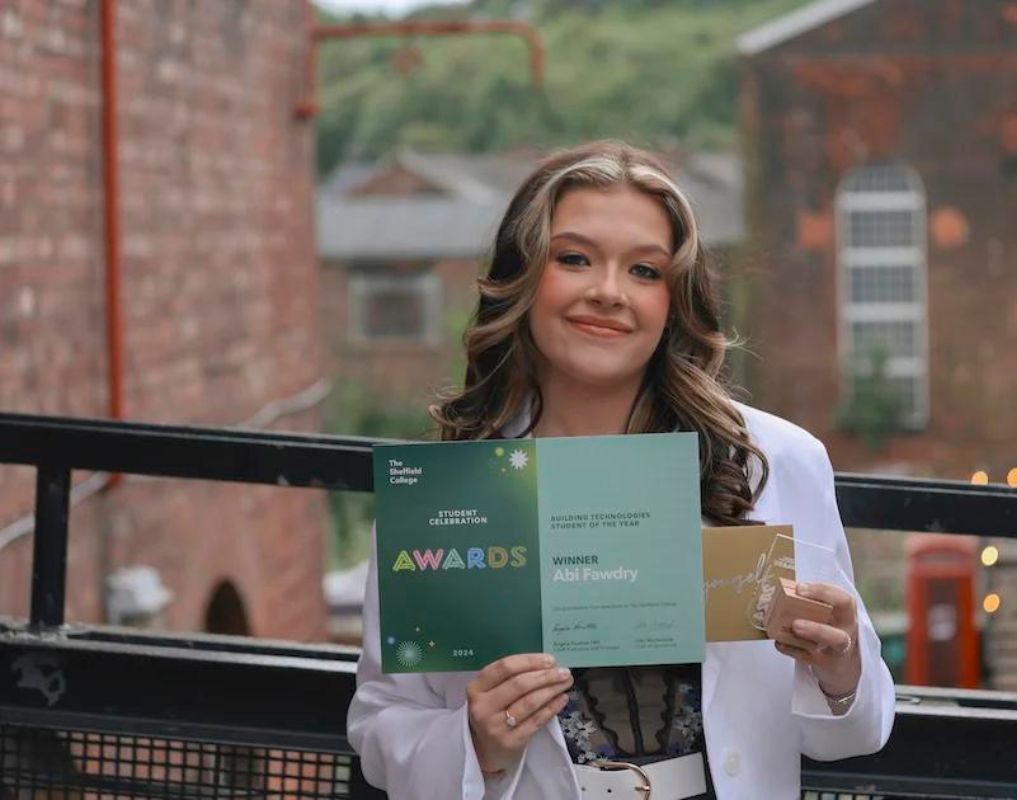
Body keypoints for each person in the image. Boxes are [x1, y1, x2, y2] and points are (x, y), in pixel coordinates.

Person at [348, 141, 895, 799]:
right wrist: (474, 742)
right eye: (574, 259)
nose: (608, 292)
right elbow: (381, 721)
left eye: (645, 270)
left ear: (675, 298)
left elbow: (855, 732)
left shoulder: (778, 463)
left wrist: (840, 665)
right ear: (521, 277)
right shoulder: (445, 492)